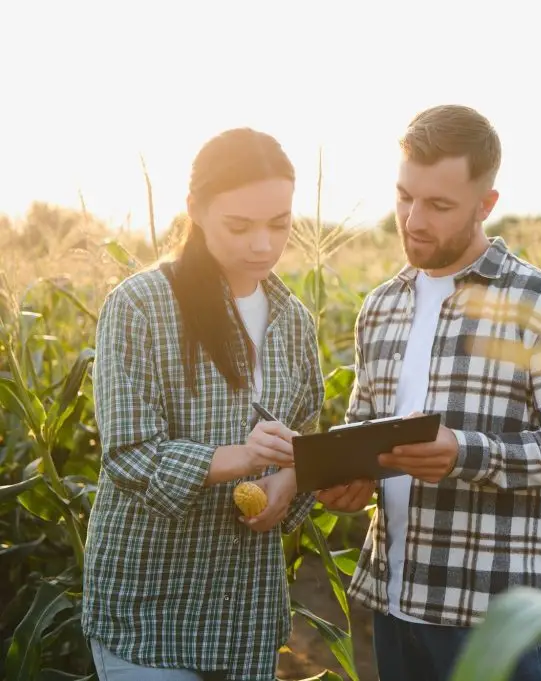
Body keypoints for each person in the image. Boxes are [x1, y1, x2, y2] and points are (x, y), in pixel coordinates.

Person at [317, 104, 541, 681]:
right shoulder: (381, 306)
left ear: (486, 205)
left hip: (498, 622)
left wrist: (465, 454)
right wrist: (350, 476)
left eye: (439, 205)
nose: (413, 220)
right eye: (405, 197)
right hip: (395, 601)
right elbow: (366, 430)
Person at [81, 127, 326, 681]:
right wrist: (240, 457)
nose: (264, 244)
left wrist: (291, 480)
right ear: (194, 209)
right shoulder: (140, 305)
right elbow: (129, 455)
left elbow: (306, 435)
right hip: (150, 612)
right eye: (239, 226)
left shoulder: (295, 321)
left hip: (245, 615)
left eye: (280, 224)